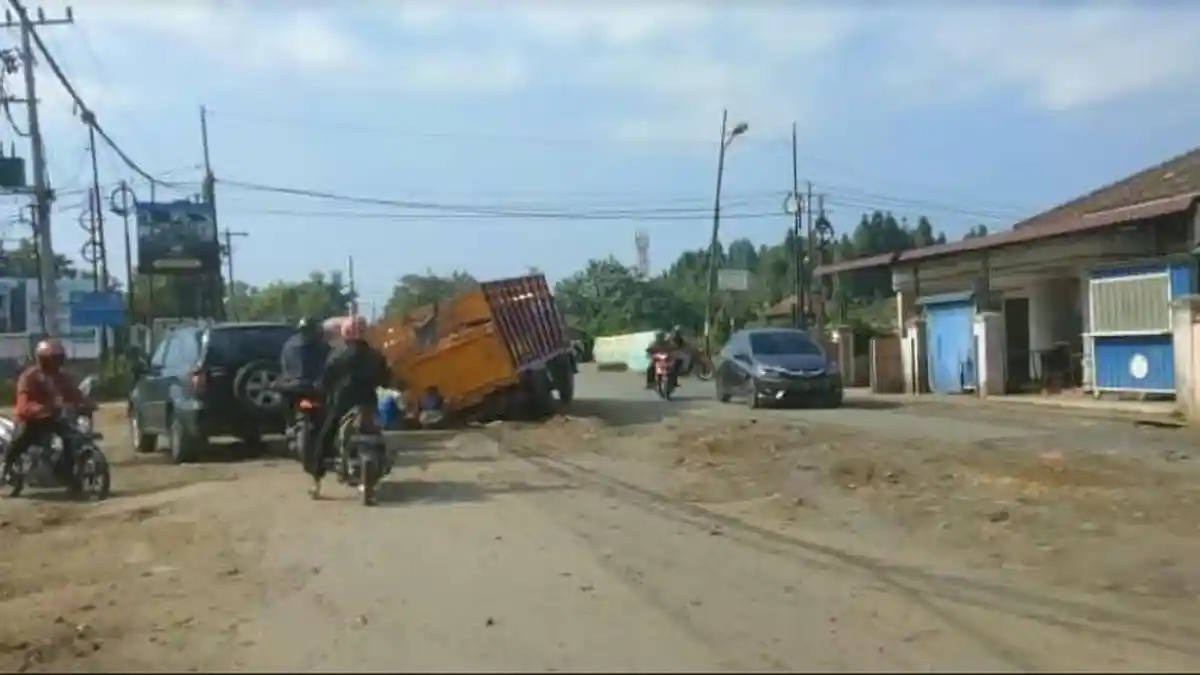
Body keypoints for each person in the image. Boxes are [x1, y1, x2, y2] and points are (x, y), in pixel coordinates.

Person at [307, 316, 391, 498]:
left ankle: (316, 482)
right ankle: (381, 464)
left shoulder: (338, 354)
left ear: (345, 333)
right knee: (379, 434)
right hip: (368, 402)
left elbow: (326, 380)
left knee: (324, 438)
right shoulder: (375, 355)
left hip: (342, 404)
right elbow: (386, 379)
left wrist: (319, 389)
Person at [2, 339, 94, 497]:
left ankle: (70, 476)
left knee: (71, 438)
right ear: (42, 359)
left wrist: (87, 404)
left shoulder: (62, 377)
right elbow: (24, 402)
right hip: (31, 419)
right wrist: (38, 409)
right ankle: (5, 466)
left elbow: (74, 393)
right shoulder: (29, 377)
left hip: (54, 418)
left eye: (58, 358)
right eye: (53, 358)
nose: (56, 362)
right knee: (22, 437)